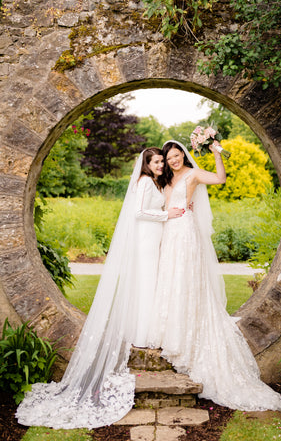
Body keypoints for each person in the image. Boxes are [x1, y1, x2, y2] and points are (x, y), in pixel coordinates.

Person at [16, 147, 184, 429]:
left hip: (154, 236)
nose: (159, 165)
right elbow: (139, 212)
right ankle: (142, 334)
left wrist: (168, 213)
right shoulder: (143, 182)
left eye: (160, 162)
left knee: (151, 283)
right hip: (145, 237)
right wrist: (167, 215)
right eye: (156, 161)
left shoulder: (154, 182)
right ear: (146, 164)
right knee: (145, 283)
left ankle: (148, 329)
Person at [148, 140, 281, 412]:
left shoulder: (193, 174)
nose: (174, 161)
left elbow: (220, 178)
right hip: (169, 232)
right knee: (170, 280)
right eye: (169, 158)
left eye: (177, 156)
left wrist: (216, 154)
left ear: (184, 154)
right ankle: (170, 329)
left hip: (186, 233)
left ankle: (188, 334)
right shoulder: (166, 178)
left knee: (187, 281)